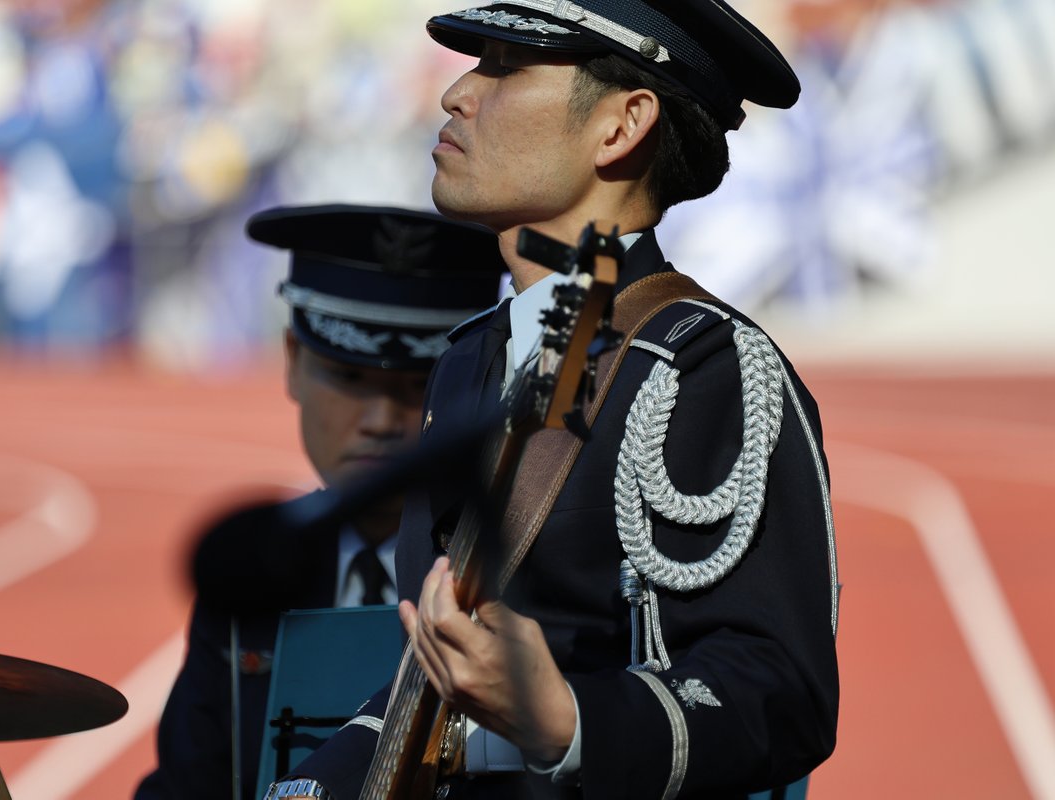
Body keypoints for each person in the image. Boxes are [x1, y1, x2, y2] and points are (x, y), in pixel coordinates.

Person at [267, 2, 840, 799]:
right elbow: (426, 676)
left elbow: (781, 693)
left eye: (504, 67)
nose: (456, 94)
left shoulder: (703, 365)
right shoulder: (470, 358)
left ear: (620, 126)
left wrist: (566, 721)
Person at [135, 205, 506, 800]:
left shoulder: (512, 570)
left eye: (420, 386)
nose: (382, 420)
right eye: (350, 378)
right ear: (291, 360)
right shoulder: (254, 573)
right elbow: (189, 782)